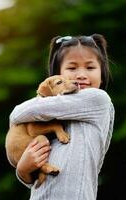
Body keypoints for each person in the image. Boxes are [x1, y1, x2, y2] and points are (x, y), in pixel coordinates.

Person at [9, 34, 115, 200]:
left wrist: (21, 114)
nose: (81, 75)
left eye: (90, 67)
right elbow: (37, 182)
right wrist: (23, 170)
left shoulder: (97, 99)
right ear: (58, 75)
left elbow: (18, 114)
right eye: (72, 68)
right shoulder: (55, 112)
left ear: (102, 74)